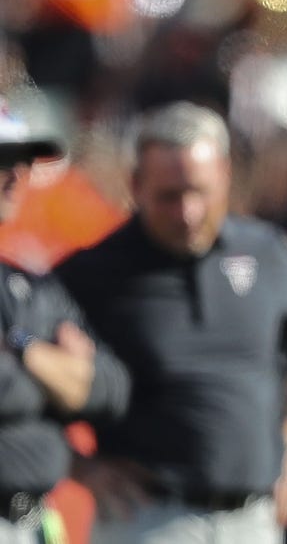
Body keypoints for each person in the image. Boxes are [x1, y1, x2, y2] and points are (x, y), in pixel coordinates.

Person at [53, 100, 287, 544]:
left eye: (198, 191)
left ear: (225, 176)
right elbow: (22, 381)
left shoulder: (266, 251)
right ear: (135, 185)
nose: (186, 212)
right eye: (168, 195)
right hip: (147, 518)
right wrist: (80, 467)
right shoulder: (92, 273)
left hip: (254, 519)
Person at [0, 94, 130, 544]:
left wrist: (21, 350)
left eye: (22, 163)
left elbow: (109, 388)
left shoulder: (28, 285)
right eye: (2, 162)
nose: (17, 178)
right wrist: (55, 371)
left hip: (33, 520)